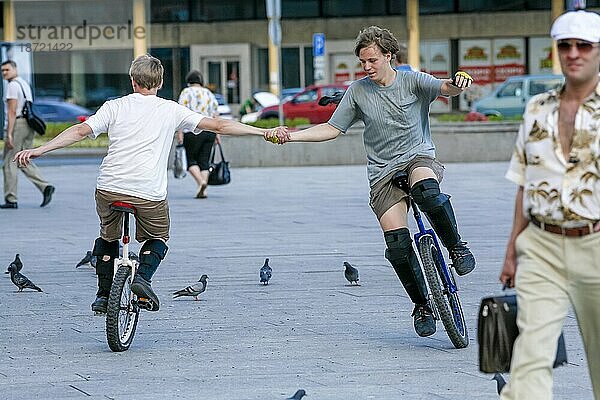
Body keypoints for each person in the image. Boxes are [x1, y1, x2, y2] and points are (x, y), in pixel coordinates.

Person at [13, 54, 285, 314]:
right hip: (148, 193)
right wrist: (264, 131)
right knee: (158, 238)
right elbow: (220, 126)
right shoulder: (171, 109)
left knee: (108, 237)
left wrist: (41, 150)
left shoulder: (114, 106)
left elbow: (80, 130)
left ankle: (102, 295)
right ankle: (142, 278)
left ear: (133, 80)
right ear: (161, 83)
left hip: (109, 188)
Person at [266, 26, 475, 338]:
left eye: (372, 60)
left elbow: (445, 88)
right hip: (383, 174)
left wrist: (459, 82)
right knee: (397, 243)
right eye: (362, 62)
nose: (367, 67)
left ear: (388, 56)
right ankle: (422, 306)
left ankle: (456, 247)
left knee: (428, 192)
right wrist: (292, 137)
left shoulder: (412, 80)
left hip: (418, 157)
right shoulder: (358, 92)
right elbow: (332, 128)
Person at [499, 10, 600, 399]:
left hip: (595, 244)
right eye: (565, 46)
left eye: (583, 45)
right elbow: (524, 182)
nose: (573, 53)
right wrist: (512, 249)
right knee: (527, 366)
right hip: (541, 247)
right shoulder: (537, 108)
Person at [1, 60, 54, 209]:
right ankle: (45, 186)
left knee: (9, 161)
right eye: (2, 71)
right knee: (23, 159)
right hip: (29, 125)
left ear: (15, 69)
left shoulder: (12, 86)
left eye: (7, 70)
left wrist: (9, 134)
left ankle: (11, 199)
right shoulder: (24, 83)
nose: (4, 73)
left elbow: (12, 111)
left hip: (17, 124)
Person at [176, 70, 219, 199]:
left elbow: (180, 114)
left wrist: (180, 134)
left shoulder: (186, 93)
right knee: (204, 161)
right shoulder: (209, 93)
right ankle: (203, 190)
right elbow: (216, 114)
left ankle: (201, 182)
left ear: (189, 81)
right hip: (210, 131)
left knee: (191, 160)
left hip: (192, 131)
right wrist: (218, 134)